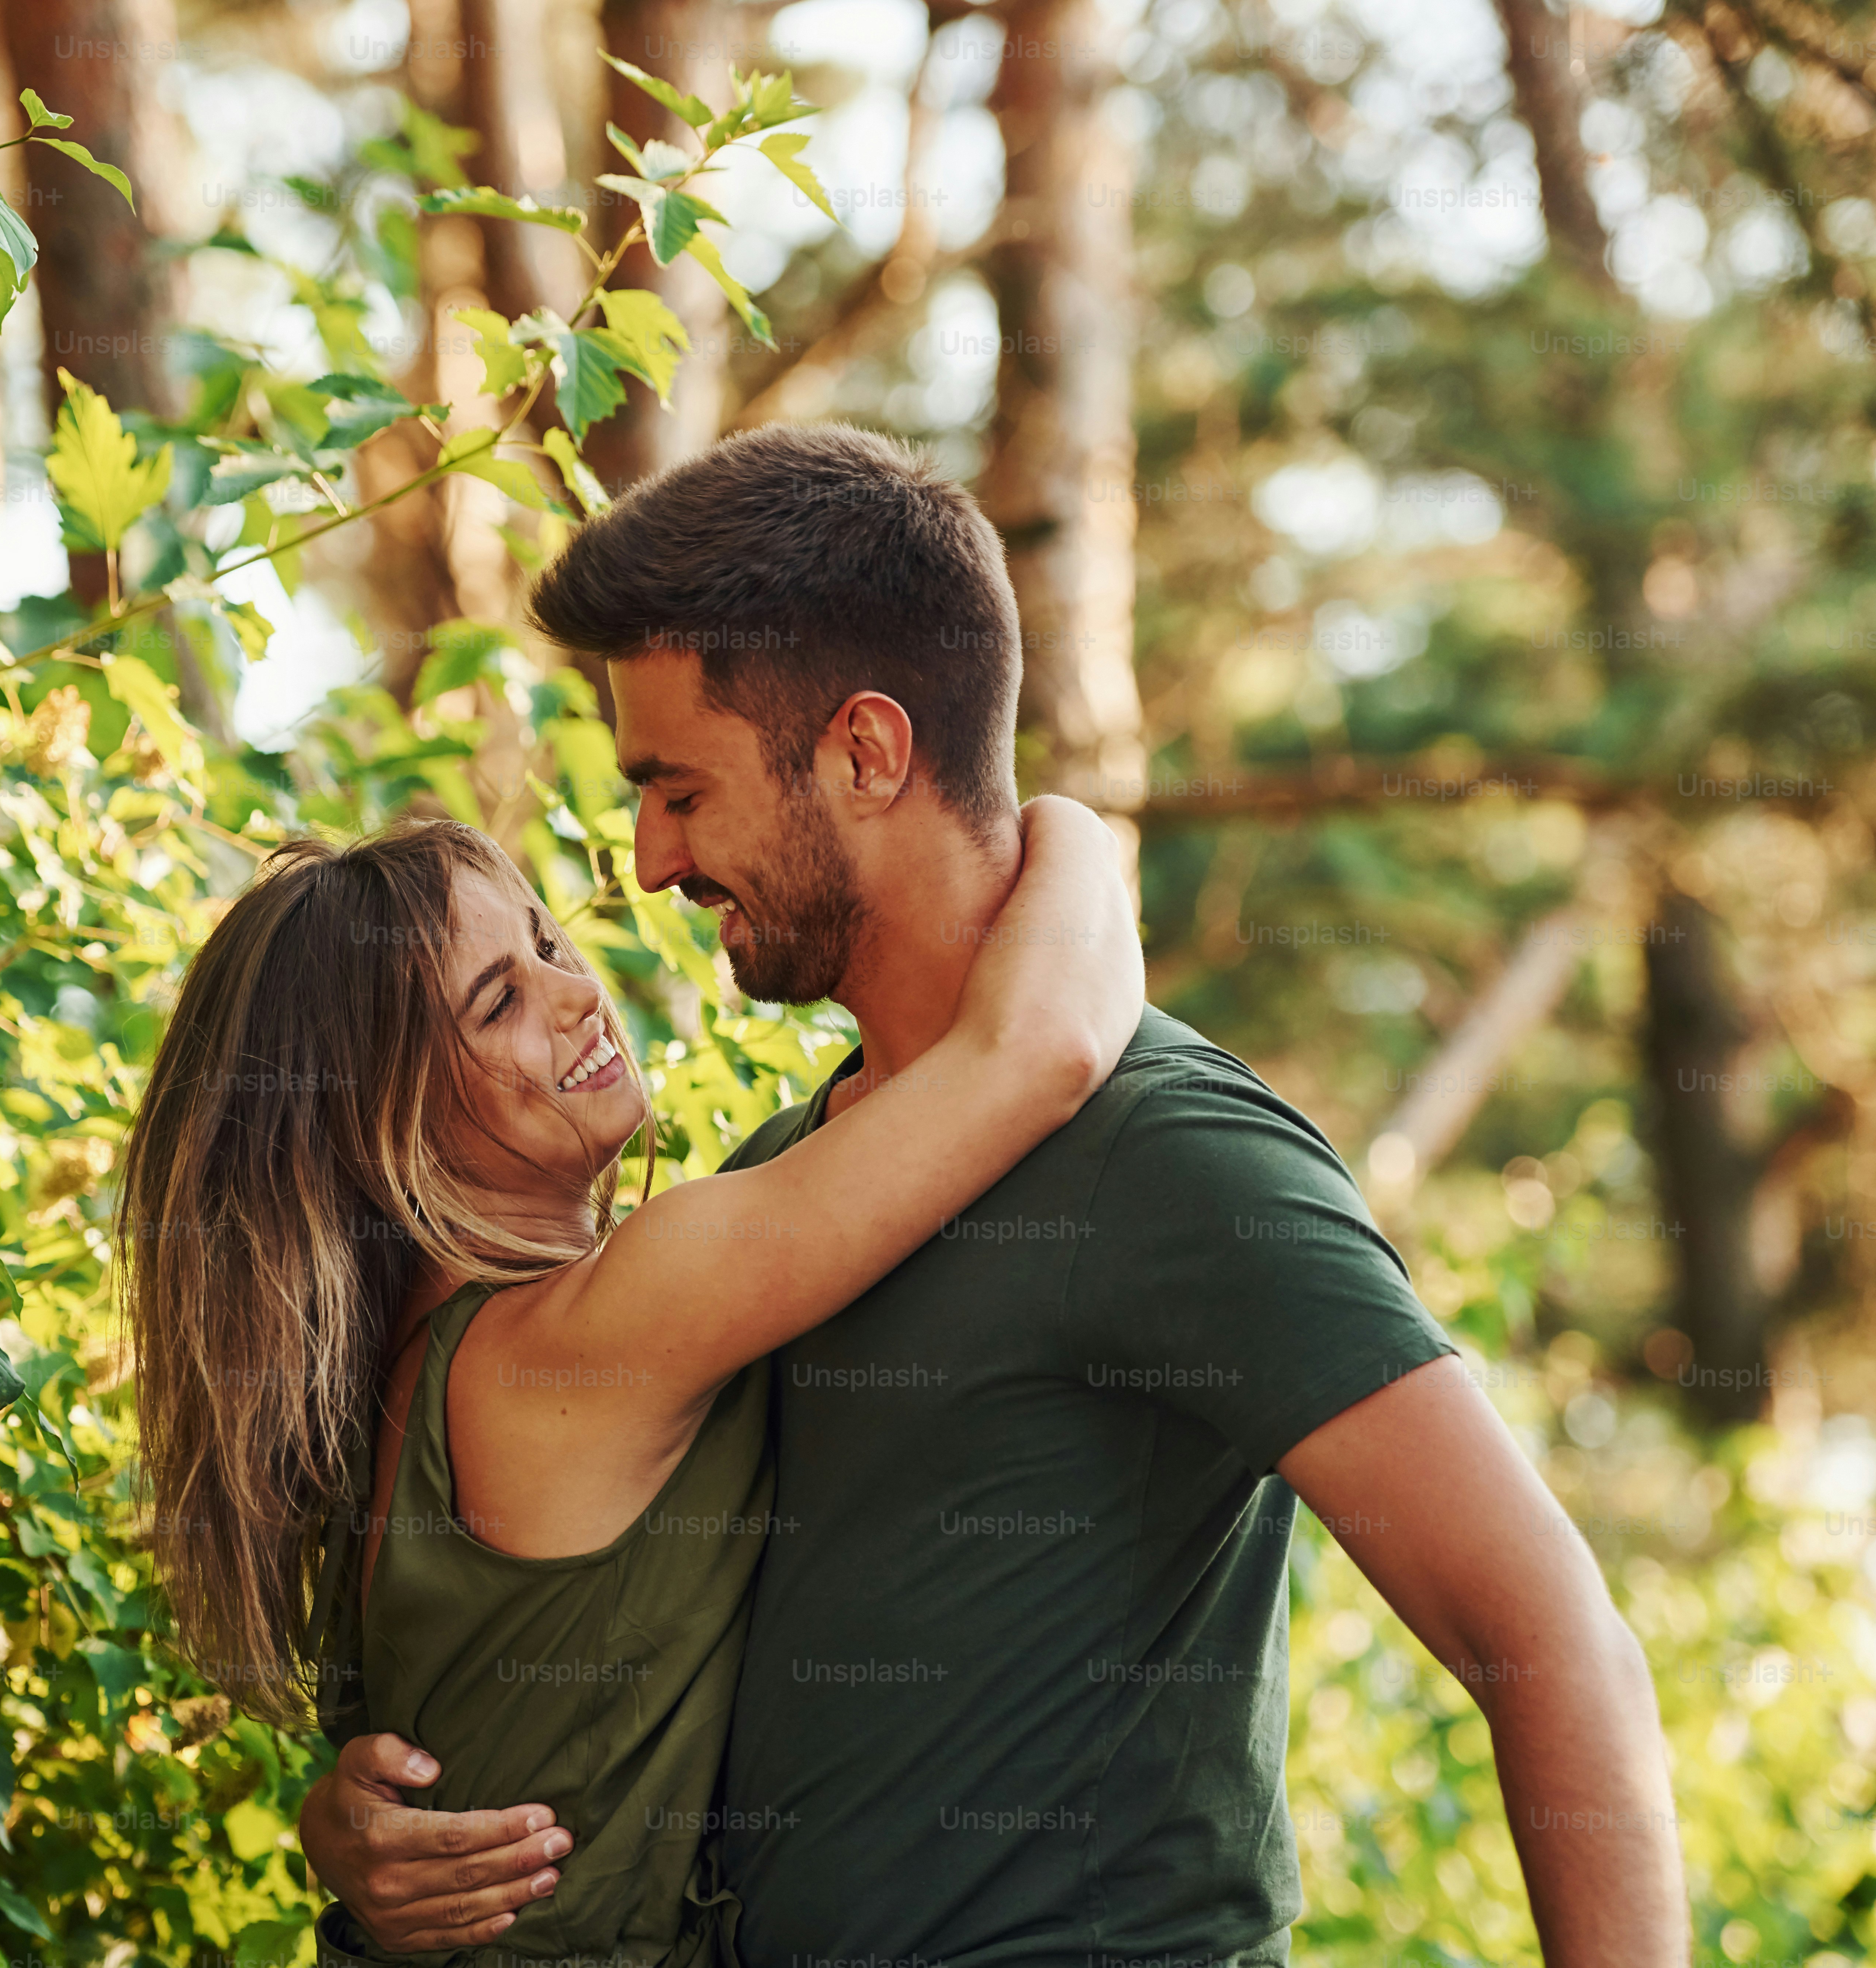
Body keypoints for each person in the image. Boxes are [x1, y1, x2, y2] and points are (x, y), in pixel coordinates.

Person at [299, 424, 1689, 1967]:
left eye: (679, 790)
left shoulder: (1168, 1154)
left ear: (868, 752)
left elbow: (1552, 1641)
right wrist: (367, 1821)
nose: (647, 858)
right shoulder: (786, 1188)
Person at [121, 791, 1146, 1967]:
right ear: (381, 1124)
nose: (575, 996)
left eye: (546, 944)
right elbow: (1042, 1050)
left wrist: (333, 1823)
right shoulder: (579, 1334)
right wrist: (1066, 820)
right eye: (498, 1001)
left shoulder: (391, 1385)